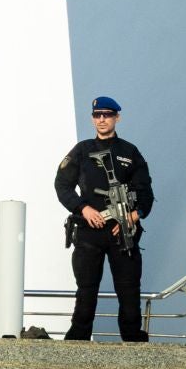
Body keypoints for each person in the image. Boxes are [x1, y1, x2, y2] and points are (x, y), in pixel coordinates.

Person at [54, 95, 155, 342]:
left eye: (107, 115)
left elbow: (146, 191)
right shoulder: (81, 151)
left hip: (122, 232)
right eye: (97, 115)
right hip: (89, 231)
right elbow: (62, 186)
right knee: (86, 289)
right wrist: (83, 209)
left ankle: (132, 338)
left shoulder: (130, 152)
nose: (102, 120)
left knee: (129, 289)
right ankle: (78, 339)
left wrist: (134, 214)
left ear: (116, 118)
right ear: (92, 118)